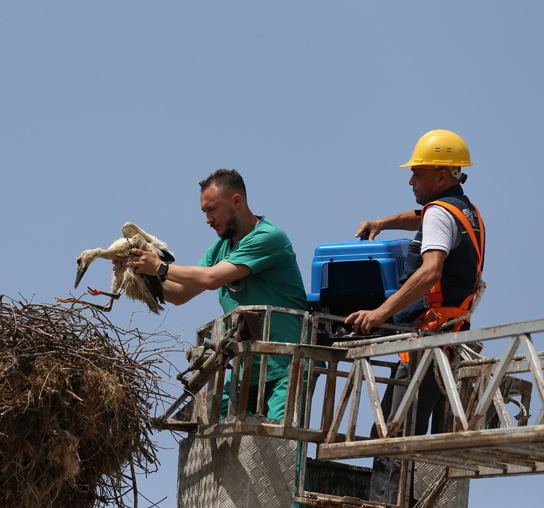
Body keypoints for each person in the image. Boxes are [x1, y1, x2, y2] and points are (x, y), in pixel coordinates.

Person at [345, 130, 485, 504]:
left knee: (392, 442)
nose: (410, 181)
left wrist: (380, 313)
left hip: (426, 345)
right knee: (412, 441)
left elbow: (430, 270)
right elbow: (421, 218)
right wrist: (383, 222)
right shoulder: (463, 210)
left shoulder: (440, 213)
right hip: (449, 344)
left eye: (417, 173)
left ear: (440, 176)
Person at [123, 168, 309, 421]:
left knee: (278, 441)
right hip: (249, 365)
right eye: (204, 212)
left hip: (287, 362)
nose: (208, 219)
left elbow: (211, 279)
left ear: (236, 201)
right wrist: (139, 278)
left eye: (212, 209)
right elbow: (179, 293)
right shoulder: (221, 247)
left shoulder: (269, 237)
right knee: (212, 423)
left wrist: (159, 267)